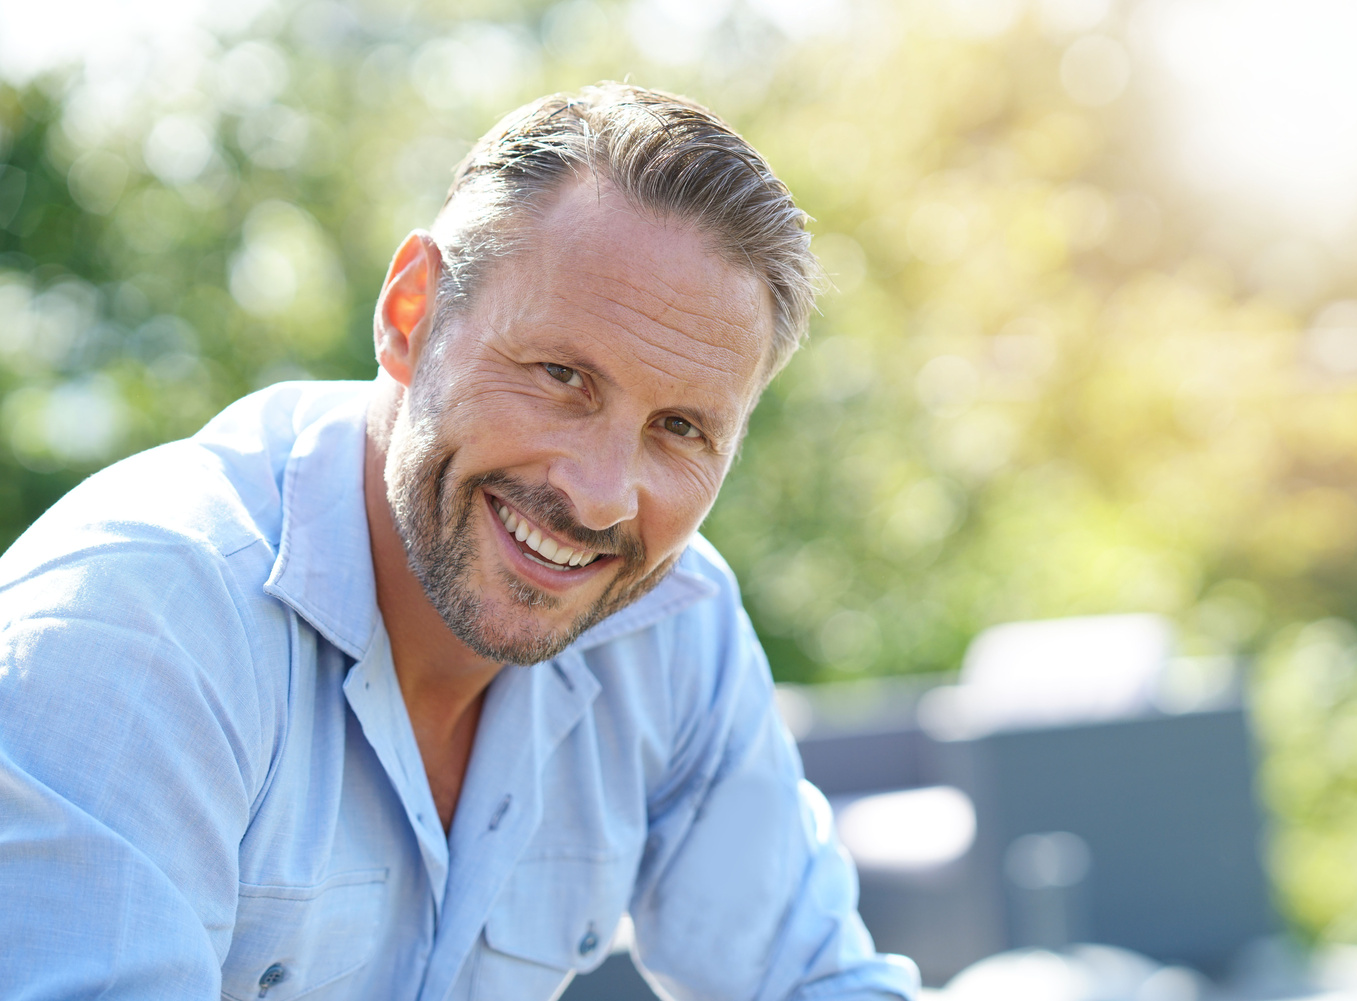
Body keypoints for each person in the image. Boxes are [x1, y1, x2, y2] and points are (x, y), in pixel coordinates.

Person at [0, 84, 919, 1000]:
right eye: (562, 376)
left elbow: (818, 981)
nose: (599, 497)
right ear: (411, 315)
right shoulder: (136, 625)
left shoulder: (674, 631)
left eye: (679, 428)